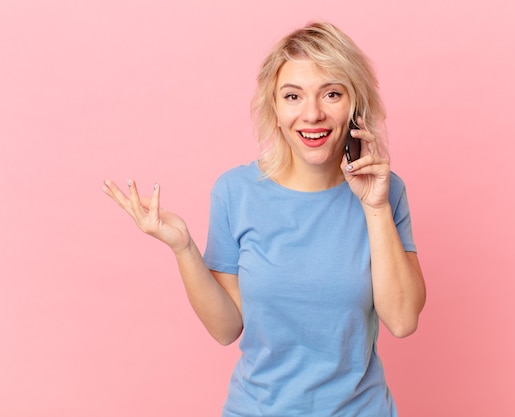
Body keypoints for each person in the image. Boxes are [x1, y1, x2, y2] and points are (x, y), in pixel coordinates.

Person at [103, 21, 426, 417]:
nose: (312, 113)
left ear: (355, 105)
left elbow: (403, 319)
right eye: (293, 96)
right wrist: (183, 247)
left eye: (332, 93)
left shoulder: (386, 190)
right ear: (274, 109)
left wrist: (374, 207)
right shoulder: (235, 192)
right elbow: (226, 329)